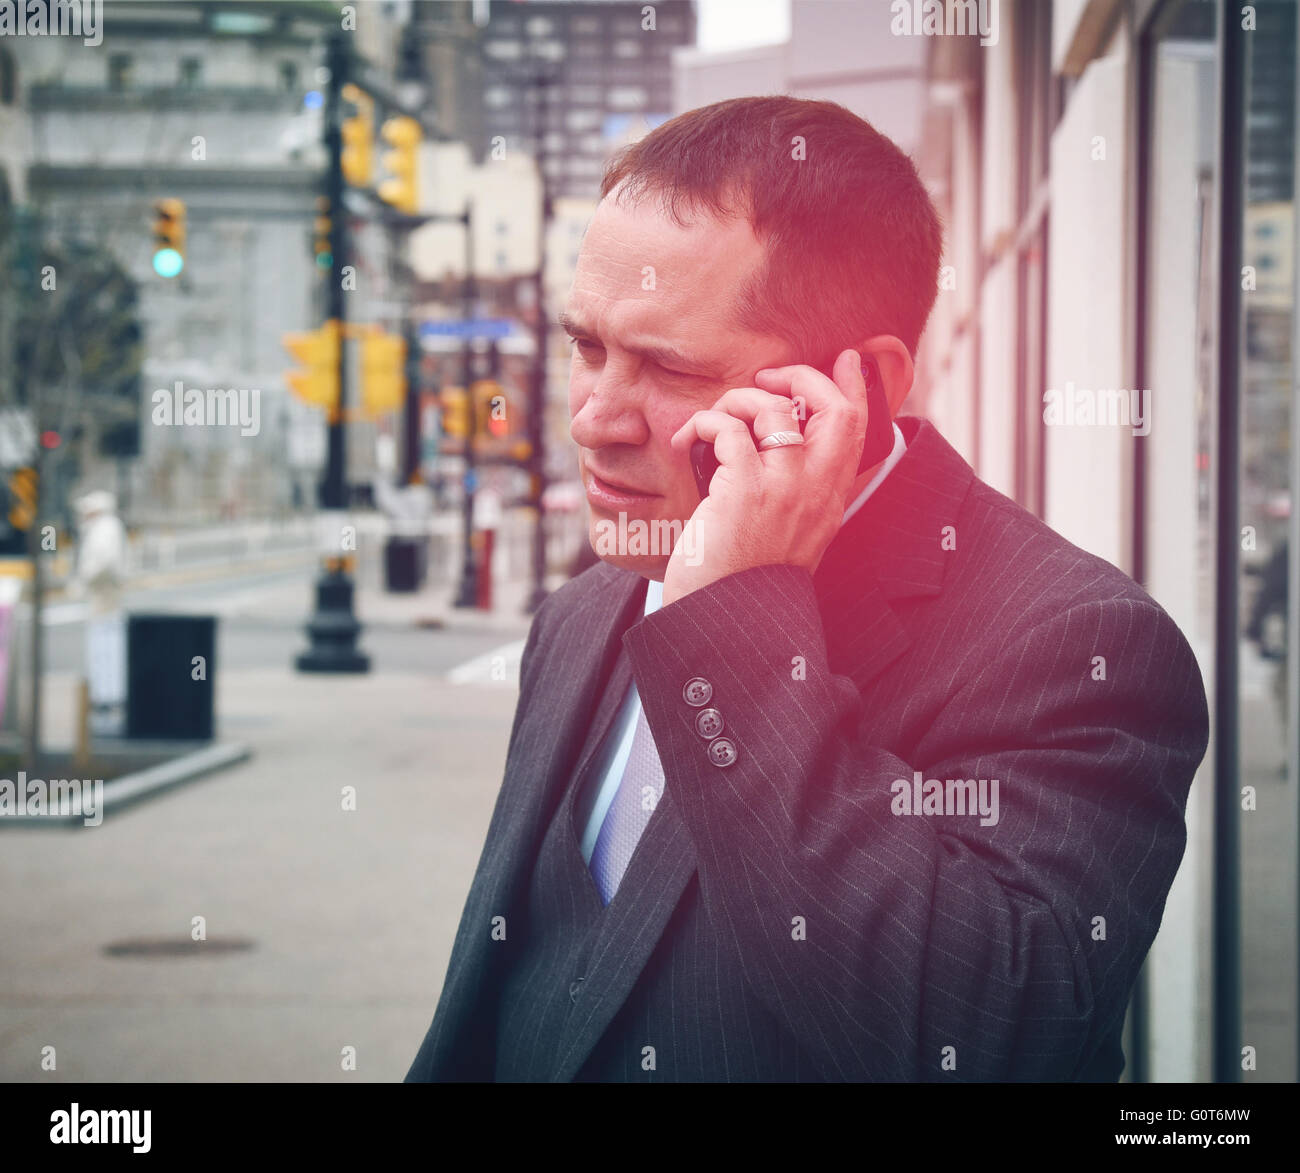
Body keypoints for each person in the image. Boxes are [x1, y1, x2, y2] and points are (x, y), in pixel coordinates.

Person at [406, 97, 1210, 1082]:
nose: (593, 420)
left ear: (861, 389)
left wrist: (735, 627)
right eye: (586, 348)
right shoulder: (583, 613)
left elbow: (998, 1039)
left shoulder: (1079, 646)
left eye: (665, 365)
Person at [72, 490, 128, 733]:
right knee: (104, 643)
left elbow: (104, 562)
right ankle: (105, 693)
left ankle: (107, 694)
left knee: (104, 644)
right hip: (104, 593)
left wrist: (84, 579)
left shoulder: (105, 528)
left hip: (103, 593)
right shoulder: (105, 527)